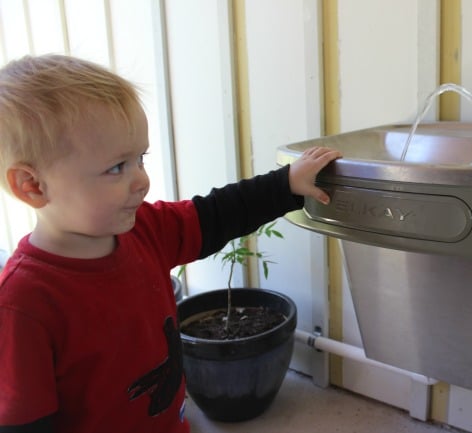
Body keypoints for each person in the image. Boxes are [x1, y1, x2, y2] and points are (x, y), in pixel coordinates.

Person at [0, 54, 342, 433]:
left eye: (139, 159)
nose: (141, 181)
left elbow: (216, 214)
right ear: (32, 186)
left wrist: (286, 185)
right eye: (116, 167)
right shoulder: (23, 303)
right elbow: (24, 422)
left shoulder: (144, 229)